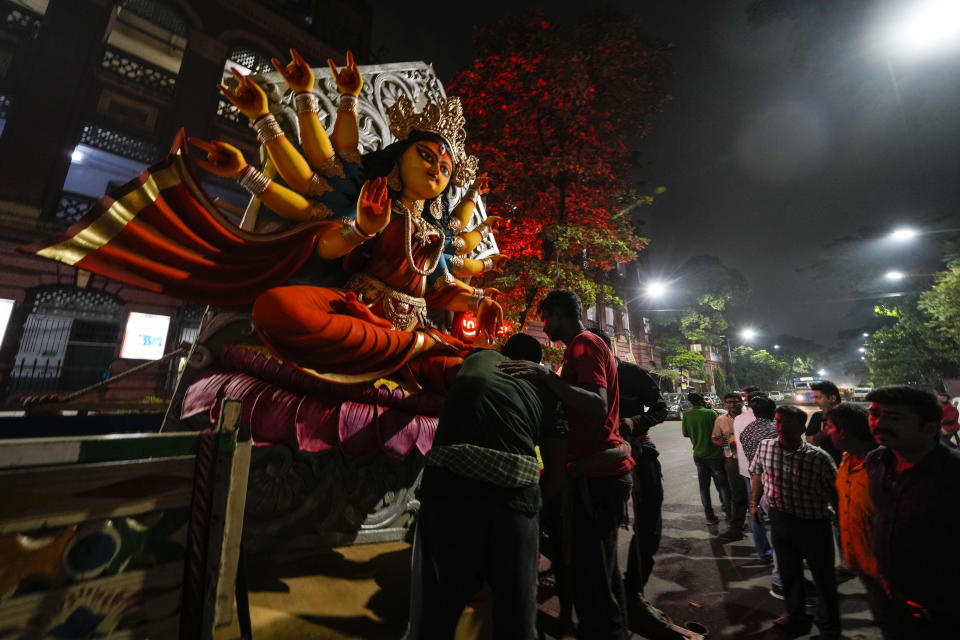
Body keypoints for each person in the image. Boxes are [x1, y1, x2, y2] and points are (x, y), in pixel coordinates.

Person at [25, 50, 505, 393]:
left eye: (445, 169)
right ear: (398, 159)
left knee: (481, 368)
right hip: (357, 312)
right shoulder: (367, 194)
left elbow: (439, 287)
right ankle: (416, 351)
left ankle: (419, 349)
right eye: (426, 157)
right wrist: (361, 226)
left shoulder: (438, 232)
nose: (437, 171)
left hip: (405, 327)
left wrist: (479, 301)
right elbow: (320, 244)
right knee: (277, 309)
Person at [406, 334, 560, 639]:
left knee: (434, 615)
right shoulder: (548, 388)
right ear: (535, 363)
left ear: (503, 353)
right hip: (514, 495)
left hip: (448, 486)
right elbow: (556, 474)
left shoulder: (478, 358)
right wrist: (529, 513)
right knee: (516, 619)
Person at [500, 290, 633, 640]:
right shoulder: (582, 346)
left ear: (557, 313)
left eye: (546, 318)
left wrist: (546, 377)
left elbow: (596, 405)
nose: (545, 326)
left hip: (596, 477)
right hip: (600, 472)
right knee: (604, 575)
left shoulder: (583, 344)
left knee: (590, 578)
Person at [864, 386, 960, 635]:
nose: (879, 423)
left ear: (929, 427)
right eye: (874, 414)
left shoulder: (953, 473)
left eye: (894, 417)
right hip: (891, 599)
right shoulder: (876, 461)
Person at [587, 329, 668, 597]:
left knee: (648, 524)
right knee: (599, 525)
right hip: (598, 456)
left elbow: (660, 408)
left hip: (639, 450)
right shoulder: (581, 375)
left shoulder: (631, 374)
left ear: (605, 349)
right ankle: (604, 588)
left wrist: (635, 423)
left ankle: (633, 588)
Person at [751, 405, 840, 639]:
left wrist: (842, 523)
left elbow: (836, 493)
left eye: (788, 423)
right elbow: (757, 473)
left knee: (823, 579)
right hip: (781, 519)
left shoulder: (818, 457)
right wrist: (754, 504)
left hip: (814, 524)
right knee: (790, 573)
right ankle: (795, 614)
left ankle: (829, 627)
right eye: (779, 421)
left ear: (802, 428)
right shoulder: (766, 446)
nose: (781, 427)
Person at [823, 404, 894, 638]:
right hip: (862, 564)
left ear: (843, 432)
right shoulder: (845, 459)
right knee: (883, 617)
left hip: (888, 571)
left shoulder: (886, 467)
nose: (826, 430)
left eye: (830, 426)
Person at [737, 395, 783, 597]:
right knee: (780, 523)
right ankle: (781, 568)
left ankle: (763, 552)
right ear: (773, 411)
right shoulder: (774, 430)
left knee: (755, 512)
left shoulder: (747, 429)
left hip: (752, 476)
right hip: (772, 480)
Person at [682, 393, 728, 525]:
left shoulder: (687, 415)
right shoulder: (710, 413)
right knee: (722, 485)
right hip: (715, 455)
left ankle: (709, 516)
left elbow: (685, 433)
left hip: (698, 455)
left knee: (704, 487)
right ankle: (728, 511)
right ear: (702, 400)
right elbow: (719, 433)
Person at [711, 392, 746, 541]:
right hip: (732, 460)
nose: (732, 405)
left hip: (751, 460)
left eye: (735, 402)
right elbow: (715, 438)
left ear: (742, 402)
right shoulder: (720, 420)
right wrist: (727, 443)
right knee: (736, 494)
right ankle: (736, 527)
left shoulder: (749, 417)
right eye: (729, 402)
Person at [806, 381, 843, 464]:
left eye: (818, 397)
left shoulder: (851, 415)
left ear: (832, 398)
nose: (815, 401)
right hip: (827, 464)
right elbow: (810, 441)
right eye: (814, 397)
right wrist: (825, 431)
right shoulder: (817, 416)